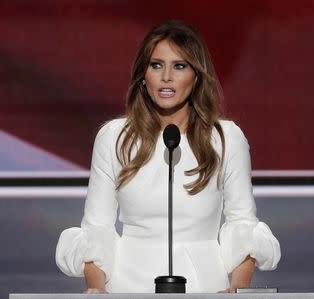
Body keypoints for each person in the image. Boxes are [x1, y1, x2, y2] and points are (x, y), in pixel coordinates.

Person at [55, 19, 280, 293]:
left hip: (204, 284)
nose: (166, 77)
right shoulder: (115, 137)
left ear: (196, 76)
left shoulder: (226, 138)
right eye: (156, 65)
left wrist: (238, 290)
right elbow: (96, 228)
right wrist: (96, 291)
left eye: (179, 66)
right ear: (143, 75)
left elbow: (242, 223)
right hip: (128, 285)